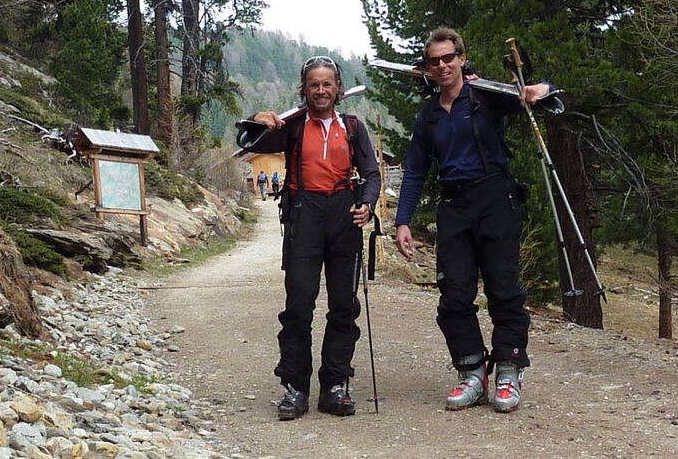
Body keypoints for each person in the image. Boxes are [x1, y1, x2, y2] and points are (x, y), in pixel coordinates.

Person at [392, 28, 554, 414]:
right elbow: (415, 171)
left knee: (504, 289)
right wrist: (403, 221)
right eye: (435, 61)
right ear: (427, 68)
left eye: (449, 58)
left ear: (462, 59)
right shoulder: (428, 117)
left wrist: (538, 90)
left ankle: (509, 370)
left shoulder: (485, 96)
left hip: (496, 197)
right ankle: (471, 371)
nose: (443, 65)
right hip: (454, 205)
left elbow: (541, 94)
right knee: (453, 294)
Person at [237, 56, 381, 420]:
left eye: (327, 84)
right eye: (314, 84)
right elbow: (247, 139)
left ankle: (335, 385)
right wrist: (258, 118)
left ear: (338, 88)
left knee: (344, 306)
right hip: (304, 214)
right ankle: (295, 387)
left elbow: (371, 173)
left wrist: (367, 204)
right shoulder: (292, 126)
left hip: (344, 215)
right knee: (299, 306)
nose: (321, 90)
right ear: (304, 89)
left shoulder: (353, 127)